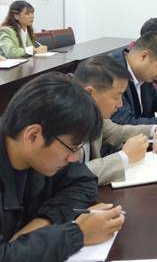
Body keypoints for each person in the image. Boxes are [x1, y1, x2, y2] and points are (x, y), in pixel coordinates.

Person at [0, 72, 125, 261]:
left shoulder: (41, 155)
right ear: (33, 136)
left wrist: (41, 223)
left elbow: (83, 181)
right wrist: (77, 234)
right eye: (72, 148)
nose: (73, 158)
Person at [74, 55, 157, 186]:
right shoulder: (62, 124)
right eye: (116, 97)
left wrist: (154, 129)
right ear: (89, 93)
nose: (120, 104)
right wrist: (124, 157)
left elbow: (116, 131)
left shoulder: (93, 115)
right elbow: (71, 175)